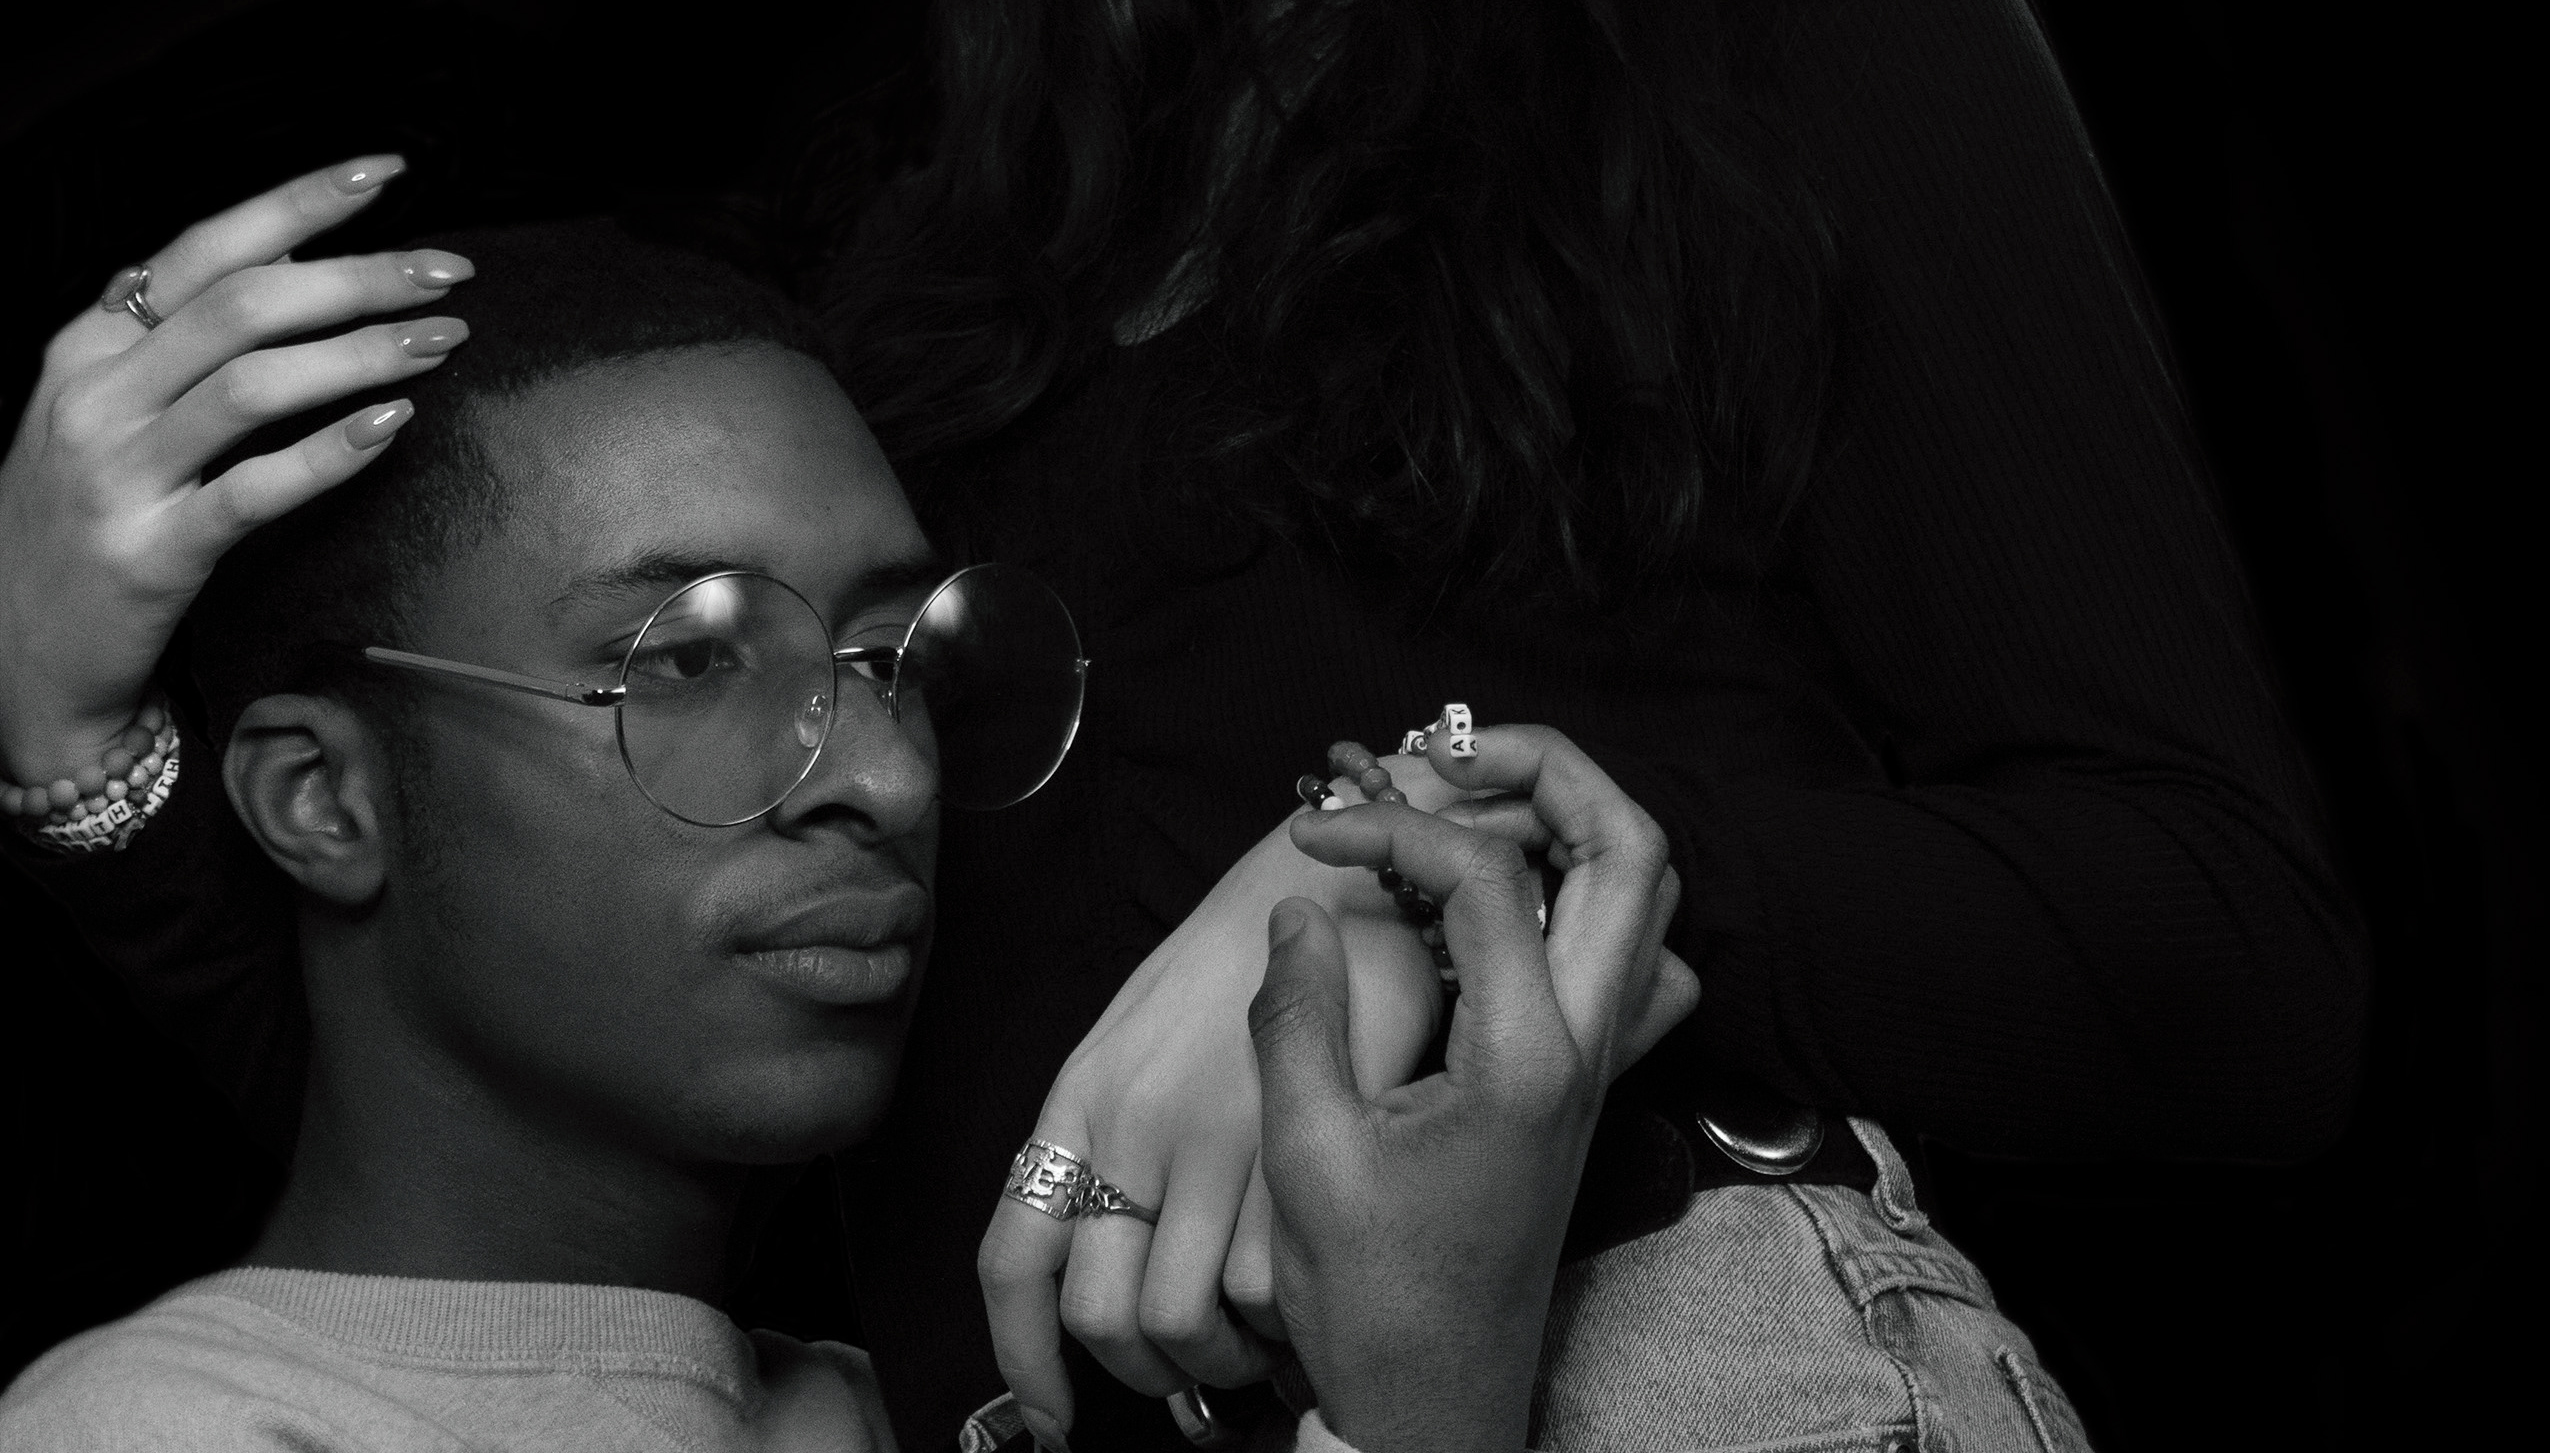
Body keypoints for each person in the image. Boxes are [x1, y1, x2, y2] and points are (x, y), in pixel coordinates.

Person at [2, 0, 2367, 1445]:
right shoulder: (954, 170)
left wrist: (1423, 869)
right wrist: (70, 719)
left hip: (1676, 1368)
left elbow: (2233, 958)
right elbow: (566, 1038)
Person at [0, 220, 1691, 1453]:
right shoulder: (167, 1430)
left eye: (891, 660)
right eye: (686, 661)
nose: (883, 779)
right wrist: (1422, 1400)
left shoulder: (934, 1392)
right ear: (322, 799)